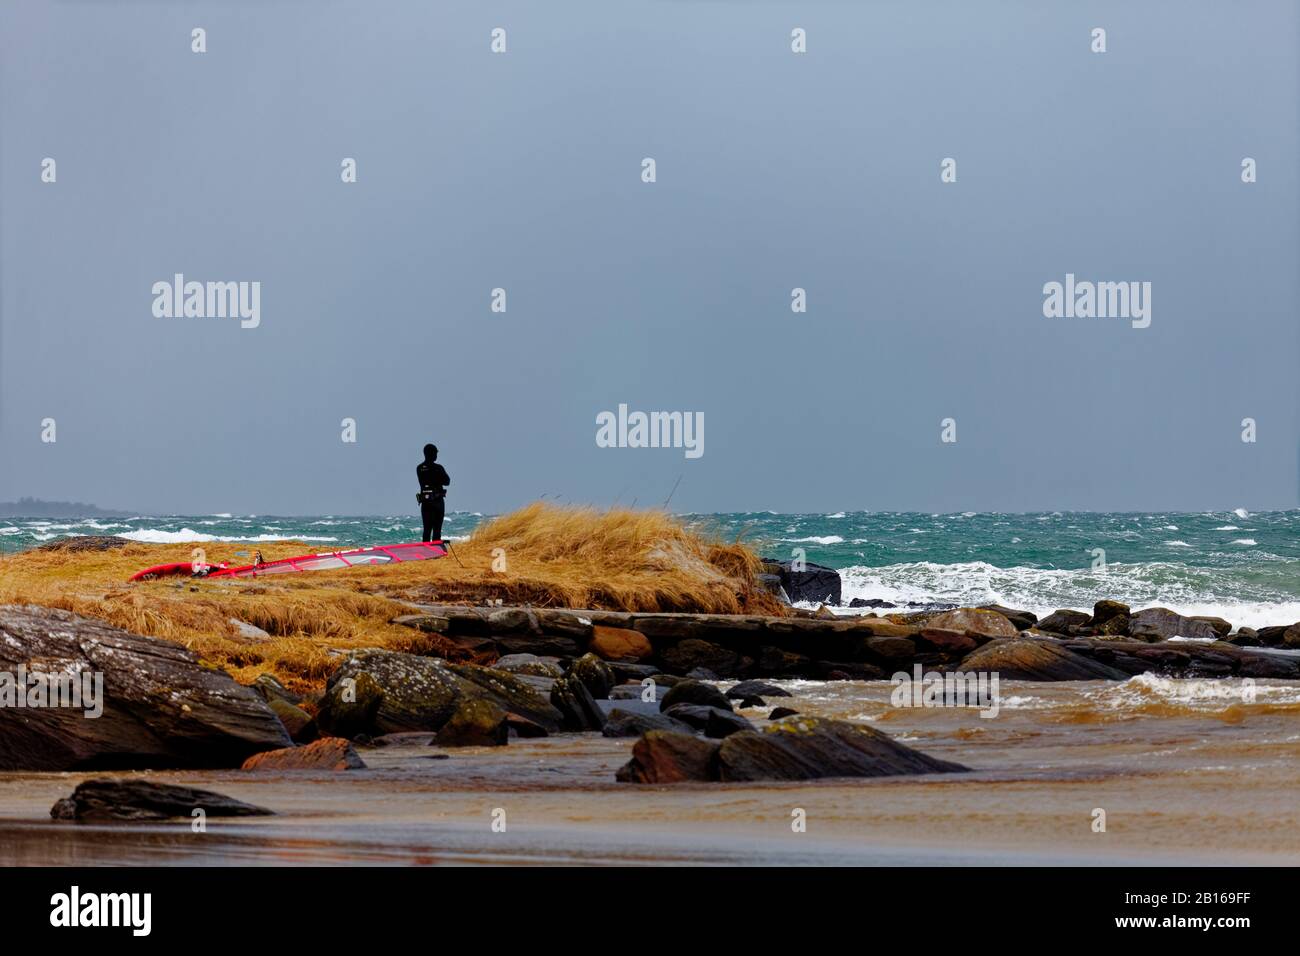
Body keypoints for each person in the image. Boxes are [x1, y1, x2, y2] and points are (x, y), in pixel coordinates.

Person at [416, 443, 450, 543]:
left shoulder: (419, 468)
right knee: (437, 530)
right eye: (435, 453)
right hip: (437, 503)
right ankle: (436, 554)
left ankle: (426, 553)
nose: (436, 456)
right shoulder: (438, 468)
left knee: (426, 530)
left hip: (425, 503)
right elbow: (447, 481)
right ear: (431, 454)